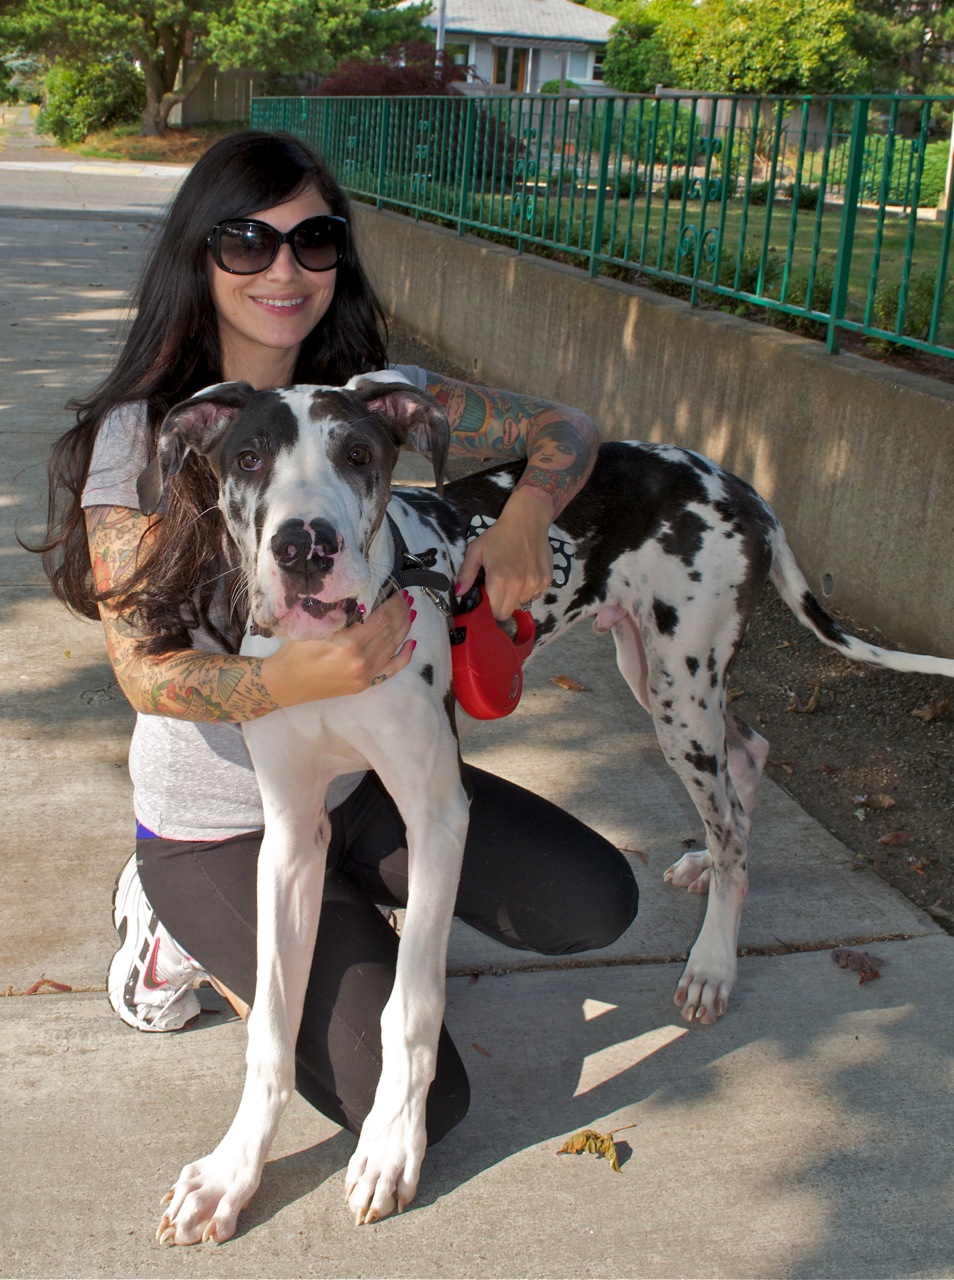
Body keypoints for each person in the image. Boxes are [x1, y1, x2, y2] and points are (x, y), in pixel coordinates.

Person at [39, 130, 639, 1144]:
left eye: (314, 240)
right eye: (247, 240)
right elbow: (143, 671)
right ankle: (169, 921)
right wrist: (302, 674)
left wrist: (527, 511)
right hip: (221, 822)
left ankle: (355, 897)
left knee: (590, 901)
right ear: (200, 252)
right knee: (417, 1102)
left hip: (361, 782)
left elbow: (565, 427)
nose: (284, 268)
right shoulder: (149, 434)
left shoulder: (369, 401)